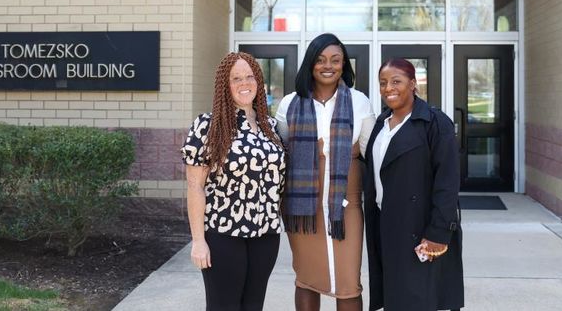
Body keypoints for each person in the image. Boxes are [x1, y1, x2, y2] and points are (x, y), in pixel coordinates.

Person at [275, 33, 375, 311]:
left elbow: (371, 151)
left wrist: (350, 152)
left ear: (344, 65)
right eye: (320, 60)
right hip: (302, 207)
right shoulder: (289, 103)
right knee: (307, 278)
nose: (327, 65)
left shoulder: (358, 101)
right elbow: (282, 152)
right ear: (310, 64)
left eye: (335, 60)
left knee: (348, 281)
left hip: (346, 205)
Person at [181, 52, 286, 311]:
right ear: (224, 85)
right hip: (223, 234)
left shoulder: (269, 126)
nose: (244, 83)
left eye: (250, 76)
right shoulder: (208, 126)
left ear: (259, 82)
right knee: (224, 306)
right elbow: (195, 186)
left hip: (266, 235)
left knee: (253, 305)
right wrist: (198, 241)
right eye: (236, 78)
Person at [363, 58, 464, 311]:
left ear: (413, 84)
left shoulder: (435, 123)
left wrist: (439, 233)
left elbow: (448, 183)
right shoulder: (381, 124)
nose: (388, 88)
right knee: (396, 297)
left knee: (419, 299)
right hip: (386, 224)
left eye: (396, 81)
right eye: (383, 83)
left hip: (420, 228)